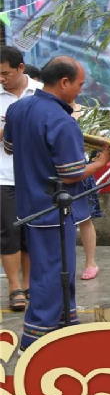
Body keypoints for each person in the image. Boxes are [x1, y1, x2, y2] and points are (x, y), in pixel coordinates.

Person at [3, 56, 110, 351]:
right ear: (64, 82)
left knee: (50, 270)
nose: (80, 90)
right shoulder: (62, 120)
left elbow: (9, 147)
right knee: (53, 273)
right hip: (53, 207)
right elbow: (71, 174)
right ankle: (38, 337)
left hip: (28, 204)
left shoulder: (18, 108)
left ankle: (64, 327)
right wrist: (100, 162)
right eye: (79, 84)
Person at [0, 46, 42, 312]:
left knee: (31, 233)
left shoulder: (41, 92)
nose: (2, 79)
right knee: (9, 232)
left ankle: (28, 285)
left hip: (35, 175)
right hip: (3, 176)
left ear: (21, 68)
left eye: (6, 73)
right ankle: (14, 287)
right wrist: (16, 127)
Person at [70, 100, 103, 280]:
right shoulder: (52, 111)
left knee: (84, 218)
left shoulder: (87, 113)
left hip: (80, 168)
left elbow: (97, 143)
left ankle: (91, 262)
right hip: (55, 168)